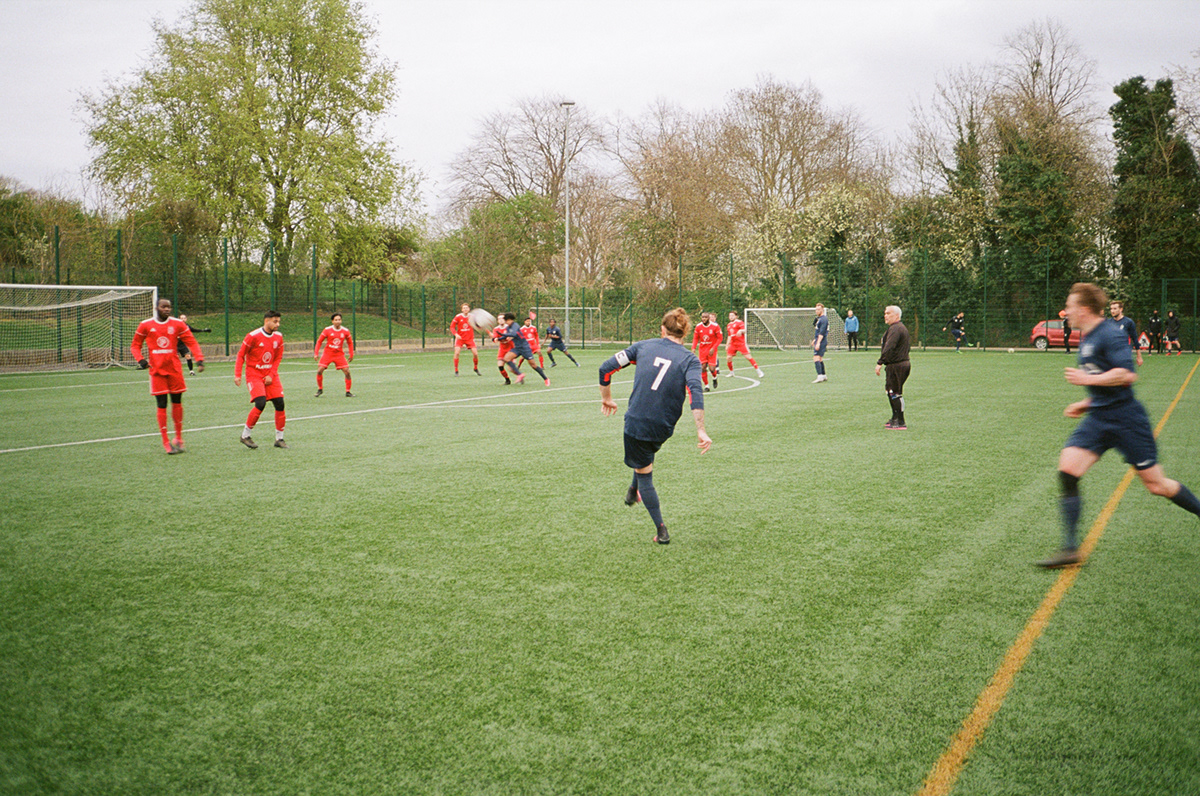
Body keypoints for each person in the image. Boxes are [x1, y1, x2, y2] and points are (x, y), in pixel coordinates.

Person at [1037, 283, 1200, 568]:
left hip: (1126, 419)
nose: (1067, 312)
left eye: (1071, 306)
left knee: (1157, 485)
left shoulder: (1110, 334)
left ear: (1085, 309)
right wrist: (1086, 403)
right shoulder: (1086, 338)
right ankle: (1070, 550)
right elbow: (1104, 380)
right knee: (1067, 471)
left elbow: (1126, 375)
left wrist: (1087, 381)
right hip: (1099, 419)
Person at [599, 307, 712, 545]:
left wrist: (607, 398)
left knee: (645, 473)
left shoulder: (642, 346)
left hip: (637, 422)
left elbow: (605, 368)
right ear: (686, 333)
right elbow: (696, 392)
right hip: (664, 426)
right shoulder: (691, 359)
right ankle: (632, 491)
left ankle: (661, 530)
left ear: (662, 329)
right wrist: (700, 429)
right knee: (643, 457)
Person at [131, 297, 205, 454]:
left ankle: (178, 438)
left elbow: (191, 341)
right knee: (162, 404)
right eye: (163, 306)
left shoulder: (178, 324)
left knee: (177, 403)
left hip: (174, 370)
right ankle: (166, 441)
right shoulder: (146, 325)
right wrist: (141, 360)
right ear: (156, 307)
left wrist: (199, 359)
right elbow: (135, 346)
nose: (167, 309)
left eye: (169, 307)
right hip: (157, 372)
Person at [234, 310, 288, 449]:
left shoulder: (279, 337)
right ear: (266, 321)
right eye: (275, 321)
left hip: (270, 374)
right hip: (254, 374)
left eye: (279, 321)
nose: (278, 324)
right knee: (261, 402)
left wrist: (271, 374)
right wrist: (237, 374)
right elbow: (241, 355)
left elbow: (277, 357)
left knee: (280, 403)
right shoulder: (253, 336)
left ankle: (279, 439)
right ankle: (245, 435)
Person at [875, 305, 911, 430]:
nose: (885, 315)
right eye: (885, 313)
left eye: (888, 313)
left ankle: (900, 421)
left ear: (896, 316)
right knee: (891, 392)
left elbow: (889, 347)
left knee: (895, 393)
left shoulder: (896, 328)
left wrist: (880, 362)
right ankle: (895, 418)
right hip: (897, 365)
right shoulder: (896, 328)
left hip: (897, 365)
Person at [495, 312, 550, 385]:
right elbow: (507, 336)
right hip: (517, 348)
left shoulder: (515, 325)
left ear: (510, 319)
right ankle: (520, 374)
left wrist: (503, 334)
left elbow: (513, 334)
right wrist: (499, 338)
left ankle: (546, 379)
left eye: (506, 320)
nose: (505, 322)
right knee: (506, 358)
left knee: (533, 365)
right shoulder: (508, 328)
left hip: (525, 347)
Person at [314, 312, 354, 397]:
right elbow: (319, 341)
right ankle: (320, 389)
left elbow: (350, 343)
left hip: (339, 354)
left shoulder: (345, 331)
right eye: (336, 320)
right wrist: (316, 353)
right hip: (328, 353)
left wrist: (351, 354)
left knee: (347, 371)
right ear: (332, 321)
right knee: (319, 370)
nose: (338, 321)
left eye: (339, 319)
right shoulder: (327, 330)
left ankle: (348, 391)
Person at [724, 311, 763, 378]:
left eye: (732, 315)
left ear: (736, 316)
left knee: (748, 357)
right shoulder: (729, 325)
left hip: (740, 343)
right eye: (730, 315)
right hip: (733, 344)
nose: (731, 317)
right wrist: (727, 344)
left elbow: (745, 330)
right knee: (728, 358)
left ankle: (758, 371)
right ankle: (731, 372)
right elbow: (729, 336)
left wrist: (740, 331)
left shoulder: (739, 322)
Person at [691, 312, 722, 391]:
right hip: (702, 350)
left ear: (708, 318)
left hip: (712, 350)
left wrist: (714, 348)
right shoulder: (698, 327)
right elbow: (695, 338)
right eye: (702, 317)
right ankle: (706, 386)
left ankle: (714, 378)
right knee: (703, 368)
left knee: (712, 369)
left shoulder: (715, 326)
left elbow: (720, 338)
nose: (703, 319)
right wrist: (693, 348)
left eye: (705, 317)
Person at [1109, 299, 1143, 367]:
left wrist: (1139, 356)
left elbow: (1135, 339)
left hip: (1124, 354)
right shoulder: (1108, 323)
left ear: (1121, 309)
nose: (1112, 311)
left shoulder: (1128, 322)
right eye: (1111, 309)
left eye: (1115, 308)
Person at [449, 303, 480, 376]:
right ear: (462, 309)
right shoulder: (458, 317)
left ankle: (475, 368)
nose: (465, 309)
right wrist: (456, 334)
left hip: (469, 338)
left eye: (467, 308)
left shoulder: (472, 317)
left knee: (475, 354)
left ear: (469, 309)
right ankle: (456, 370)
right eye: (464, 308)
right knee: (457, 353)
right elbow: (452, 327)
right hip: (460, 338)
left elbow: (478, 325)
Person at [490, 318, 514, 384]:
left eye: (502, 319)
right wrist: (494, 339)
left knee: (511, 368)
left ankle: (520, 375)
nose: (501, 320)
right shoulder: (496, 329)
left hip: (510, 348)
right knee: (500, 365)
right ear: (498, 321)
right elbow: (495, 337)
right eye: (499, 319)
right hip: (502, 349)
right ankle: (507, 380)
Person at [812, 303, 829, 382]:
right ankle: (823, 375)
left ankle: (819, 376)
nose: (817, 311)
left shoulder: (823, 319)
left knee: (816, 358)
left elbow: (822, 333)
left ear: (822, 310)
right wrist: (815, 340)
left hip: (821, 341)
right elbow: (818, 331)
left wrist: (818, 342)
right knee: (820, 359)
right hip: (820, 340)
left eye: (818, 309)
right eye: (816, 309)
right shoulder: (819, 319)